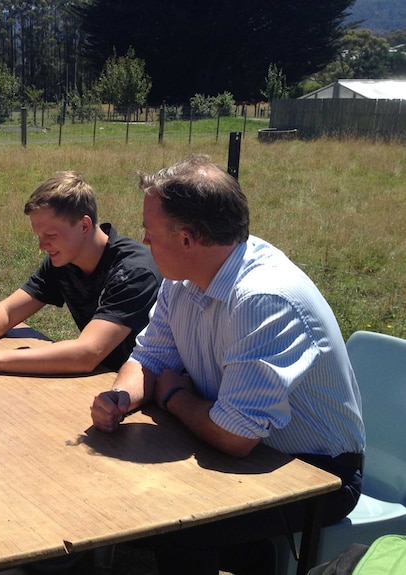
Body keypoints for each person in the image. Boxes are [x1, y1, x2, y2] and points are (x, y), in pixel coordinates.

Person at [89, 155, 365, 575]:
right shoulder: (181, 281)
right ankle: (257, 560)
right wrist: (121, 398)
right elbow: (149, 357)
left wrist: (175, 395)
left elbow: (236, 437)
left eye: (150, 232)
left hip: (317, 473)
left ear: (188, 238)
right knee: (134, 495)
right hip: (243, 447)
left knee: (176, 527)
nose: (143, 241)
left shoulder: (261, 298)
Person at [0, 170, 162, 375]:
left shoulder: (133, 271)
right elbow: (8, 311)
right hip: (108, 380)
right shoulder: (65, 258)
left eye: (51, 236)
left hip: (155, 395)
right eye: (39, 236)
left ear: (84, 226)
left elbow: (87, 353)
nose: (41, 246)